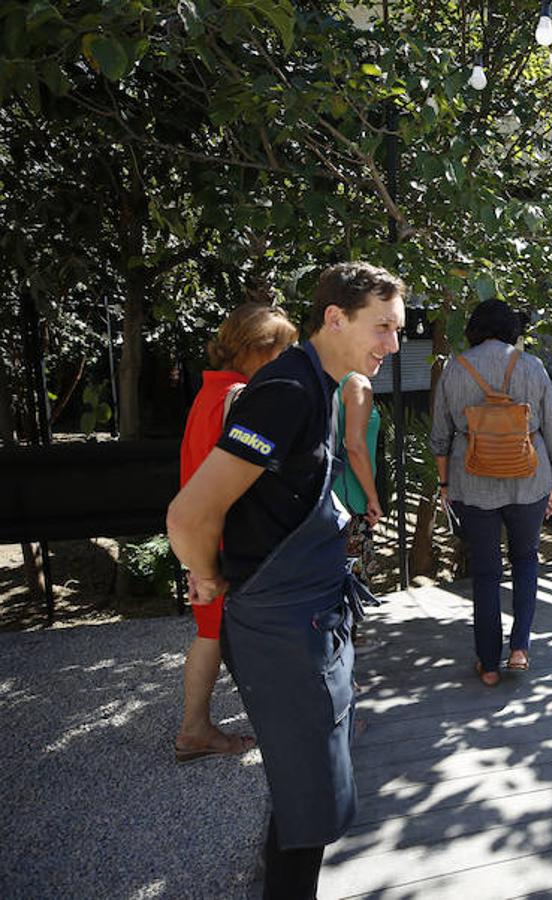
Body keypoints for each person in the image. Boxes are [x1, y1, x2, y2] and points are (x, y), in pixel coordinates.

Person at [167, 262, 405, 899]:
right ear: (334, 318)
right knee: (310, 796)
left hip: (307, 621)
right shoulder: (289, 392)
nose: (392, 344)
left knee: (308, 784)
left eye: (397, 329)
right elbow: (189, 513)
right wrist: (208, 575)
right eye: (382, 327)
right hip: (279, 627)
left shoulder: (317, 383)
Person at [174, 302, 296, 763]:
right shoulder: (243, 399)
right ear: (261, 349)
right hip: (230, 540)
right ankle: (291, 727)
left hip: (205, 533)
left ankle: (195, 729)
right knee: (264, 637)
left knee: (209, 633)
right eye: (284, 349)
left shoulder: (209, 393)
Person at [430, 299, 552, 687]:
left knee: (486, 573)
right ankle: (519, 648)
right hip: (529, 479)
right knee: (526, 560)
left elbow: (440, 437)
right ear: (512, 329)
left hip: (472, 482)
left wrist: (444, 485)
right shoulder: (532, 366)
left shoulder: (456, 368)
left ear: (473, 329)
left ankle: (488, 665)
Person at [333, 371, 381, 582]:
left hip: (328, 501)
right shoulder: (356, 382)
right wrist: (373, 497)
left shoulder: (325, 378)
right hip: (352, 501)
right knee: (353, 592)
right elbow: (355, 446)